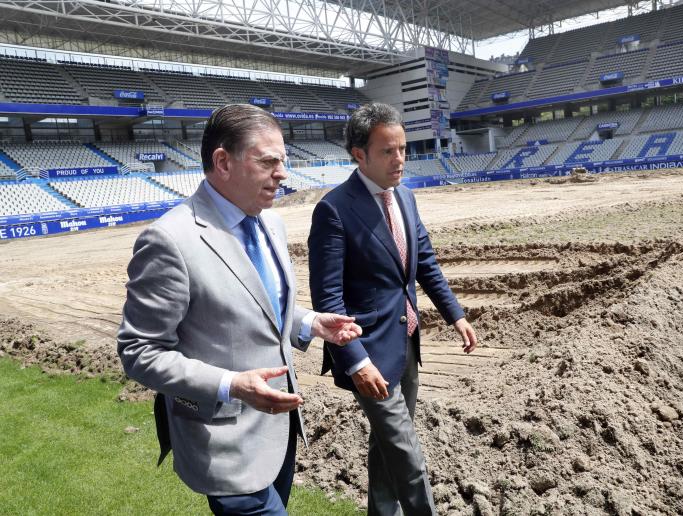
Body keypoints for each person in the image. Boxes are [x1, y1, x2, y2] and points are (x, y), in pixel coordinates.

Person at [117, 104, 361, 515]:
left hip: (277, 434)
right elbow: (139, 352)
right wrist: (231, 384)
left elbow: (256, 304)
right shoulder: (169, 240)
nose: (283, 173)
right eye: (268, 162)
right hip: (224, 444)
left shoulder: (271, 224)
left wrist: (310, 322)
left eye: (283, 161)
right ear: (223, 162)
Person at [308, 102, 478, 515]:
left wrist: (455, 315)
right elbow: (328, 299)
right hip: (368, 354)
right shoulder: (334, 210)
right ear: (359, 154)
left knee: (388, 449)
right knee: (407, 455)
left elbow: (425, 263)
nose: (399, 159)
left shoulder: (405, 197)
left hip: (406, 345)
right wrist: (355, 361)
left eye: (402, 149)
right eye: (388, 151)